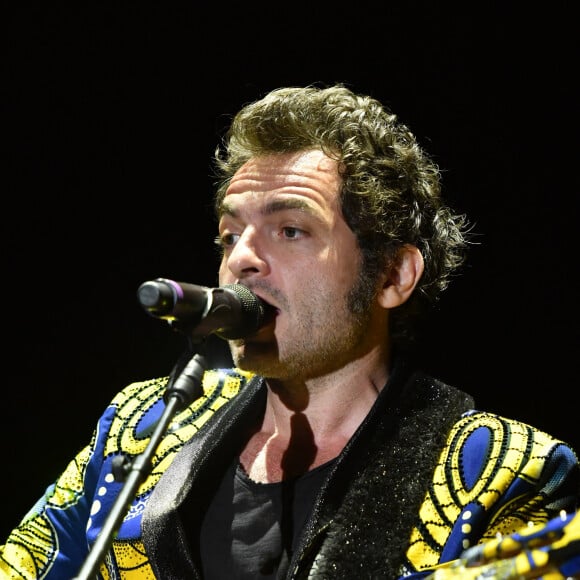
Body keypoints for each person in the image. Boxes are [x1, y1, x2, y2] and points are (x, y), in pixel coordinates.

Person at [1, 84, 579, 580]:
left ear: (394, 275)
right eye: (230, 236)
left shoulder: (507, 471)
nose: (243, 260)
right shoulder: (143, 424)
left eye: (290, 230)